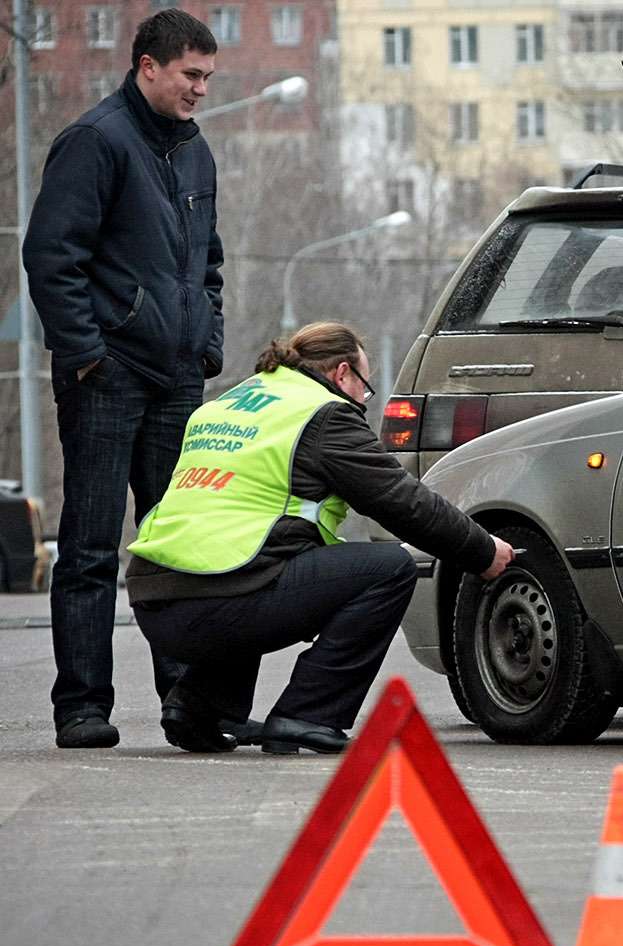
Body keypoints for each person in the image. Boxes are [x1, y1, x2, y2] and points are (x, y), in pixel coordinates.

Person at [125, 322, 514, 755]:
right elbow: (402, 501)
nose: (362, 400)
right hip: (219, 600)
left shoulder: (231, 403)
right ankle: (308, 715)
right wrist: (482, 550)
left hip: (156, 599)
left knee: (259, 561)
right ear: (342, 373)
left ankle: (200, 707)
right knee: (388, 569)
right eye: (364, 387)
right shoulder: (324, 414)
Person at [23, 9, 225, 749]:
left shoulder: (196, 151)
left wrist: (206, 346)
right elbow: (52, 257)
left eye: (208, 77)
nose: (200, 89)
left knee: (177, 547)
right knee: (90, 546)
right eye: (190, 74)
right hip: (106, 376)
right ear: (148, 67)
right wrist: (86, 354)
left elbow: (208, 263)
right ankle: (82, 707)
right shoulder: (96, 141)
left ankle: (186, 704)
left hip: (177, 378)